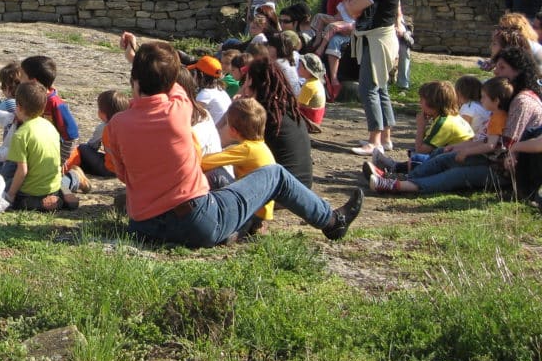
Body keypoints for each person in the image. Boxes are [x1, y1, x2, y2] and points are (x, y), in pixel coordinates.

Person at [105, 33, 363, 248]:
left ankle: (239, 229)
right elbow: (170, 81)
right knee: (274, 174)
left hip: (143, 227)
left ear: (134, 81)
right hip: (194, 224)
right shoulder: (178, 108)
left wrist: (137, 59)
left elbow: (123, 174)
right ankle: (332, 221)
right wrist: (137, 55)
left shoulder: (116, 125)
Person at [368, 48, 542, 196]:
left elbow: (505, 146)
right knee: (444, 155)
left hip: (505, 169)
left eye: (502, 68)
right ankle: (397, 177)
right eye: (497, 66)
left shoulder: (522, 101)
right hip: (494, 159)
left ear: (518, 71)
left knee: (455, 174)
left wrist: (468, 150)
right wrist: (463, 147)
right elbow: (493, 140)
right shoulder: (509, 101)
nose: (496, 71)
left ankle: (397, 184)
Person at [347, 0, 400, 156]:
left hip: (378, 40)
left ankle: (374, 140)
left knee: (368, 88)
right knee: (381, 89)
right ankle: (385, 138)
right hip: (380, 39)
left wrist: (351, 1)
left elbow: (353, 8)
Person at [5, 81, 87, 211]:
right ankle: (66, 189)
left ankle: (52, 202)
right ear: (43, 107)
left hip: (31, 191)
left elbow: (22, 171)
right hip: (53, 185)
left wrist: (10, 195)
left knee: (13, 196)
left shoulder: (21, 134)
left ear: (18, 107)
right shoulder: (50, 126)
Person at [365, 81, 473, 179]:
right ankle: (394, 166)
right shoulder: (452, 117)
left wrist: (421, 126)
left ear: (432, 103)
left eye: (422, 100)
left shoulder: (444, 123)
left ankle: (393, 172)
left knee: (417, 157)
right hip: (458, 159)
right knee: (416, 154)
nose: (420, 102)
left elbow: (420, 150)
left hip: (456, 164)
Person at [200, 97, 276, 234]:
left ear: (233, 130)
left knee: (215, 173)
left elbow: (205, 162)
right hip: (262, 209)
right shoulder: (260, 146)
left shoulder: (246, 149)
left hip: (253, 211)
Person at [238, 57, 314, 186]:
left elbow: (228, 143)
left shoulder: (261, 116)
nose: (244, 87)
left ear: (252, 83)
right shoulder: (287, 110)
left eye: (246, 81)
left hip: (279, 191)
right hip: (303, 188)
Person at [20, 55, 80, 163]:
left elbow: (72, 135)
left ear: (33, 81)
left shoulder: (56, 104)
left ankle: (74, 177)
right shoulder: (27, 98)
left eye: (22, 76)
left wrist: (60, 162)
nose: (19, 80)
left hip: (53, 156)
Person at [63, 89, 128, 178]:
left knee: (83, 148)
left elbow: (92, 146)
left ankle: (70, 169)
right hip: (128, 168)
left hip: (110, 170)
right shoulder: (130, 125)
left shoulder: (104, 128)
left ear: (103, 114)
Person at [187, 55, 232, 124]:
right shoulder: (220, 90)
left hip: (217, 133)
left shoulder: (205, 94)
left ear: (201, 74)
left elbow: (190, 119)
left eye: (195, 72)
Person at [296, 53, 327, 126]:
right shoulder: (317, 82)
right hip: (317, 119)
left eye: (300, 66)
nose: (297, 68)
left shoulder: (308, 86)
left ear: (307, 70)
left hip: (309, 121)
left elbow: (298, 105)